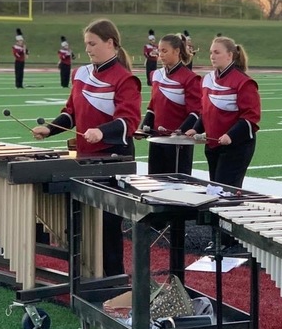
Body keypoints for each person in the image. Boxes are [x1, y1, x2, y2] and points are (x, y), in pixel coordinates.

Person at [32, 18, 141, 276]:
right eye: (86, 44)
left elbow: (129, 121)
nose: (88, 49)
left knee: (107, 227)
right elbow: (71, 113)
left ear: (110, 43)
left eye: (93, 43)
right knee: (81, 224)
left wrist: (101, 131)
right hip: (84, 159)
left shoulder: (125, 79)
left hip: (112, 161)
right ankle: (85, 278)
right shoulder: (81, 73)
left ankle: (113, 281)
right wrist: (50, 128)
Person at [185, 36, 261, 251]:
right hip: (214, 145)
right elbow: (206, 111)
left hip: (237, 146)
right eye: (210, 52)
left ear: (230, 55)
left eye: (217, 52)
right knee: (214, 192)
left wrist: (231, 135)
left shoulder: (243, 82)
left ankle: (228, 240)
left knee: (226, 193)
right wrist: (196, 127)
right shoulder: (208, 79)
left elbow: (251, 118)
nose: (212, 56)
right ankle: (219, 238)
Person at [140, 33, 202, 175]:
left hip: (179, 142)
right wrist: (144, 127)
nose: (160, 55)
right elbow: (153, 106)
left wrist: (178, 133)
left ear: (177, 51)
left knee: (177, 185)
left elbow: (195, 112)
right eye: (159, 51)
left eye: (164, 51)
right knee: (155, 182)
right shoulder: (156, 75)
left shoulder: (190, 78)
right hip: (157, 138)